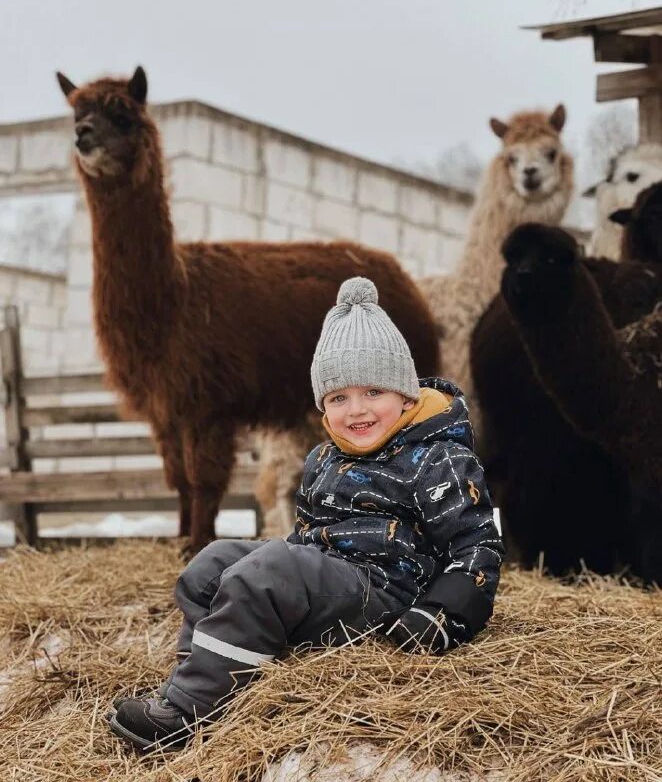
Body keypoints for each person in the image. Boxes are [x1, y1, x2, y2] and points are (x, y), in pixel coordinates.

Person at [108, 277, 504, 752]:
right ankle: (197, 681)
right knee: (210, 565)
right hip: (331, 578)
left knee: (266, 575)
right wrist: (273, 560)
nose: (356, 410)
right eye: (338, 398)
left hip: (390, 594)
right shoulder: (324, 459)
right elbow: (307, 536)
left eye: (373, 391)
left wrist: (440, 614)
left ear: (406, 396)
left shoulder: (437, 458)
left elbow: (476, 544)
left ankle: (186, 714)